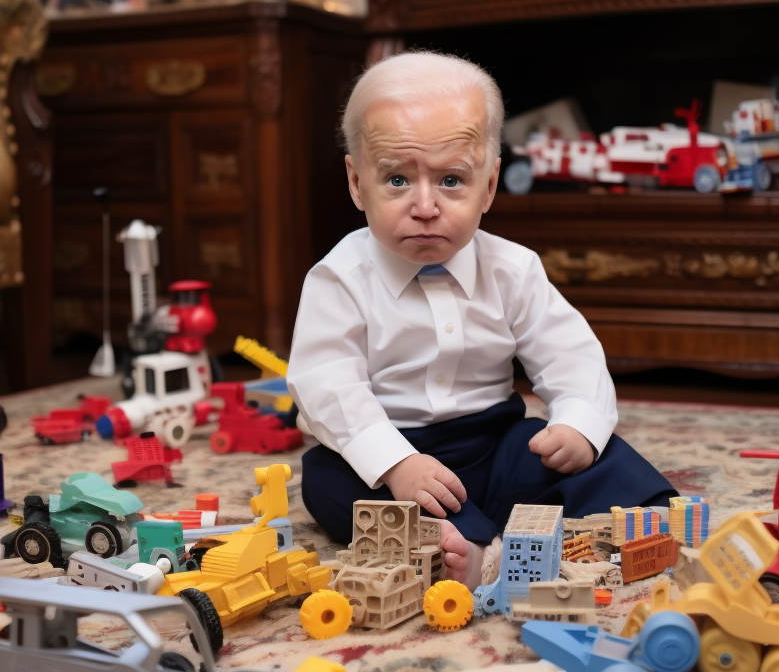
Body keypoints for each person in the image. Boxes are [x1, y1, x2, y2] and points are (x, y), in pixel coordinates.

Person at [287, 52, 676, 590]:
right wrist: (396, 463)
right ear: (357, 184)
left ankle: (657, 517)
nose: (425, 205)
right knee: (325, 480)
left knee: (562, 448)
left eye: (451, 180)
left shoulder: (513, 269)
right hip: (392, 445)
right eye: (397, 180)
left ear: (489, 186)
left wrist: (578, 424)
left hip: (494, 445)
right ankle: (464, 543)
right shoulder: (339, 278)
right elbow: (326, 384)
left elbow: (569, 352)